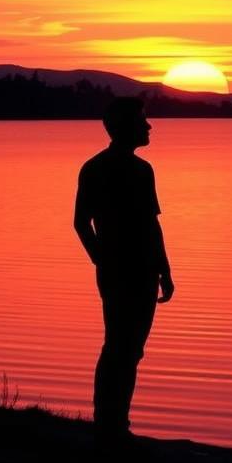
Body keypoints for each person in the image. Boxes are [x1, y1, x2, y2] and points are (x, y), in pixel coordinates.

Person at [74, 97, 174, 445]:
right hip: (122, 270)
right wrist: (102, 259)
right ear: (126, 126)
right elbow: (81, 223)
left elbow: (151, 225)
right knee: (120, 345)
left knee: (128, 347)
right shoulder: (99, 168)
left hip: (143, 269)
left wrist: (164, 269)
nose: (149, 127)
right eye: (143, 121)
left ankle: (116, 420)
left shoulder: (140, 170)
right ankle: (109, 422)